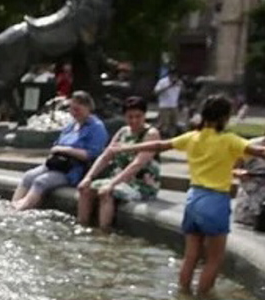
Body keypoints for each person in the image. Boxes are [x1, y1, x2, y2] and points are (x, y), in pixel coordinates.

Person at [105, 95, 265, 296]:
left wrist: (126, 147)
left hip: (193, 199)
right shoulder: (229, 140)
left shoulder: (192, 137)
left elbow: (159, 146)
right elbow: (262, 152)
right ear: (225, 118)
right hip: (215, 201)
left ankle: (183, 296)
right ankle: (203, 299)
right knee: (214, 259)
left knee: (191, 256)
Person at [12, 91, 110, 211]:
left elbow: (91, 155)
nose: (74, 113)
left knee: (40, 181)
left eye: (77, 110)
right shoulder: (71, 125)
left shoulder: (97, 128)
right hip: (56, 164)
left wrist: (67, 150)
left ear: (88, 108)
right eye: (72, 109)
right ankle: (13, 205)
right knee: (28, 176)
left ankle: (21, 209)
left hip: (73, 170)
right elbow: (57, 144)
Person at [76, 96, 161, 231]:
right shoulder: (123, 131)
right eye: (130, 117)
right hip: (120, 179)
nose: (134, 120)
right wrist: (88, 177)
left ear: (145, 115)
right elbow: (106, 156)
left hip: (141, 184)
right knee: (84, 189)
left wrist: (112, 184)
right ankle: (81, 226)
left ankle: (104, 231)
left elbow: (137, 164)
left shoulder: (151, 134)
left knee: (106, 192)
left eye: (138, 116)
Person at [153, 68, 182, 137]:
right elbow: (156, 92)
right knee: (165, 124)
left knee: (174, 123)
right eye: (172, 75)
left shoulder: (179, 82)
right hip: (164, 106)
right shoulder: (162, 82)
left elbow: (181, 93)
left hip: (174, 106)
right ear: (169, 75)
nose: (174, 77)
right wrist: (169, 86)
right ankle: (162, 136)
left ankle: (172, 138)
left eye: (175, 75)